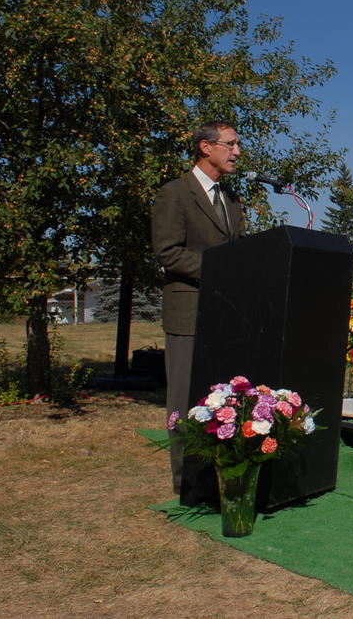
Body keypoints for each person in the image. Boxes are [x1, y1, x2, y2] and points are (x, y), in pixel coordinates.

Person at [151, 121, 245, 492]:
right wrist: (218, 270)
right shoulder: (175, 193)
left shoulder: (231, 200)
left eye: (237, 145)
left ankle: (218, 477)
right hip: (188, 314)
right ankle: (187, 484)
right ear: (206, 147)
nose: (237, 152)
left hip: (225, 314)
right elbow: (168, 252)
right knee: (184, 400)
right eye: (230, 144)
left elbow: (239, 252)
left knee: (221, 398)